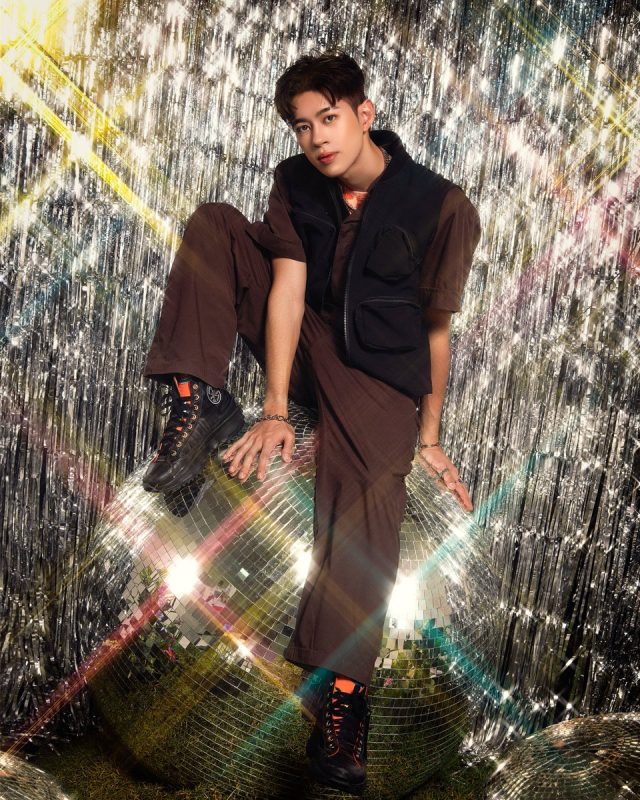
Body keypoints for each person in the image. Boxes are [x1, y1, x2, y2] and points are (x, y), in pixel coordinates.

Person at [141, 49, 481, 794]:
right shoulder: (295, 182)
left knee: (370, 498)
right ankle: (198, 403)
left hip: (377, 376)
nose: (317, 138)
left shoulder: (443, 205)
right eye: (302, 126)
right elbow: (287, 289)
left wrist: (428, 437)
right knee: (215, 224)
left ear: (365, 114)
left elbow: (436, 330)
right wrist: (272, 408)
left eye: (329, 118)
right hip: (301, 346)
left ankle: (344, 703)